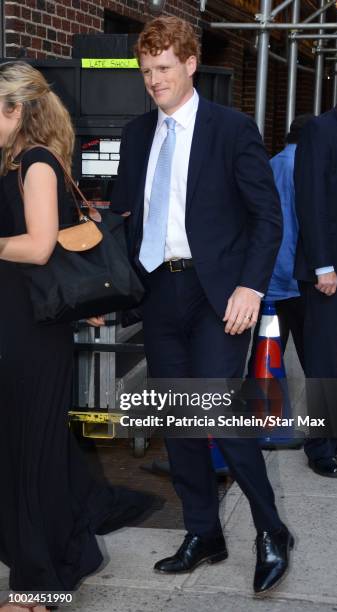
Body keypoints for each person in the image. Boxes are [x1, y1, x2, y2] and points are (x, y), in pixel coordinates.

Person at [111, 16, 293, 596]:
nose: (154, 80)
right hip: (159, 292)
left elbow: (268, 218)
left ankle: (272, 529)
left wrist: (250, 286)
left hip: (220, 296)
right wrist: (104, 287)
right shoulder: (138, 134)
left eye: (163, 68)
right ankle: (203, 533)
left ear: (191, 64)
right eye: (146, 71)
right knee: (179, 421)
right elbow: (121, 219)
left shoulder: (232, 129)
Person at [0, 61, 157, 612]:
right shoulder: (16, 162)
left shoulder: (37, 163)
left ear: (16, 111)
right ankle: (67, 553)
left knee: (31, 457)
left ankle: (39, 585)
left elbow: (39, 247)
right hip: (17, 326)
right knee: (29, 454)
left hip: (30, 335)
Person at [294, 55, 337, 478]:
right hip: (331, 272)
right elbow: (311, 201)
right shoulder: (321, 130)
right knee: (323, 359)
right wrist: (322, 266)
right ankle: (319, 446)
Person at [247, 114, 313, 375]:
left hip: (269, 276)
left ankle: (256, 410)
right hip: (301, 279)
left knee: (265, 351)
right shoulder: (309, 169)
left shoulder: (270, 165)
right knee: (316, 355)